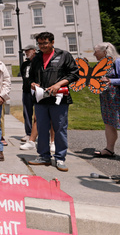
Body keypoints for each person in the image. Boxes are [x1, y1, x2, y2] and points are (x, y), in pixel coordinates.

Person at [28, 32, 79, 172]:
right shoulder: (36, 58)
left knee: (60, 128)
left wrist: (59, 85)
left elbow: (74, 74)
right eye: (40, 43)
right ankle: (43, 156)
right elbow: (30, 76)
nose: (42, 46)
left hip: (59, 99)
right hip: (41, 98)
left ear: (52, 42)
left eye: (45, 43)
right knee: (42, 128)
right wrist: (32, 83)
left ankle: (60, 158)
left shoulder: (64, 55)